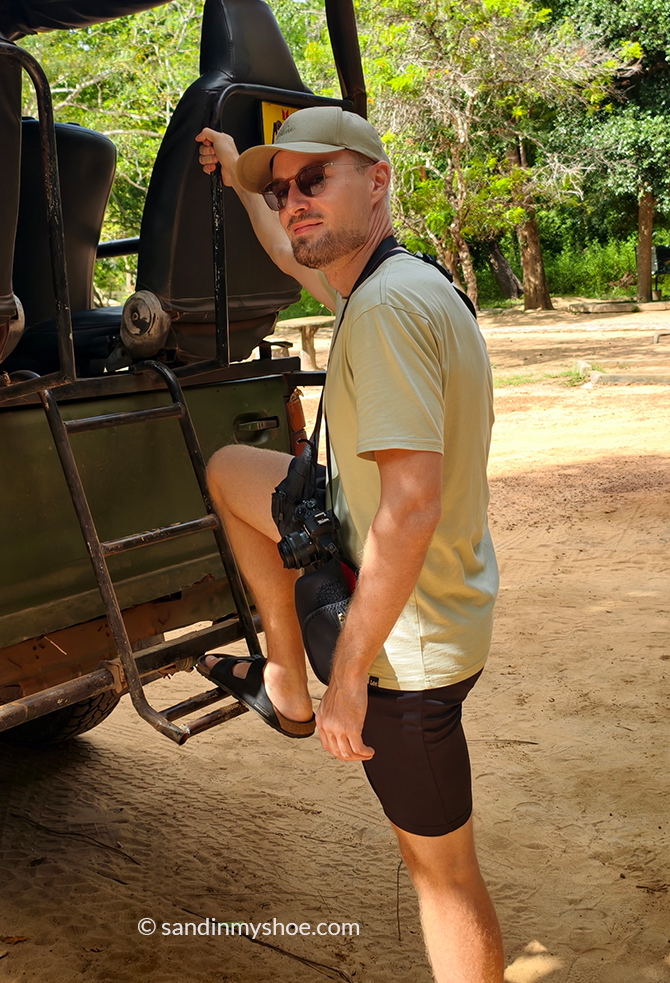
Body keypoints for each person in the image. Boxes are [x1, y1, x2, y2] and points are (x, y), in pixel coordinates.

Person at [193, 106, 503, 983]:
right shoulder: (400, 279)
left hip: (410, 657)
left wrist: (352, 681)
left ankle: (310, 686)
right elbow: (298, 254)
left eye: (312, 180)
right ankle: (285, 680)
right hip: (430, 603)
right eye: (283, 189)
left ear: (377, 179)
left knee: (442, 880)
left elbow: (408, 508)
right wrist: (237, 177)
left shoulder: (386, 314)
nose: (293, 201)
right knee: (230, 469)